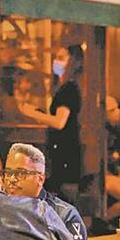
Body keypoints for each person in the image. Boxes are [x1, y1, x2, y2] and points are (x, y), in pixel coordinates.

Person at [19, 44, 83, 199]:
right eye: (56, 58)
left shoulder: (68, 89)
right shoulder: (63, 87)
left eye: (61, 58)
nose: (56, 62)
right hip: (61, 152)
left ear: (72, 62)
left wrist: (33, 113)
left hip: (65, 153)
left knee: (64, 200)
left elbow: (59, 122)